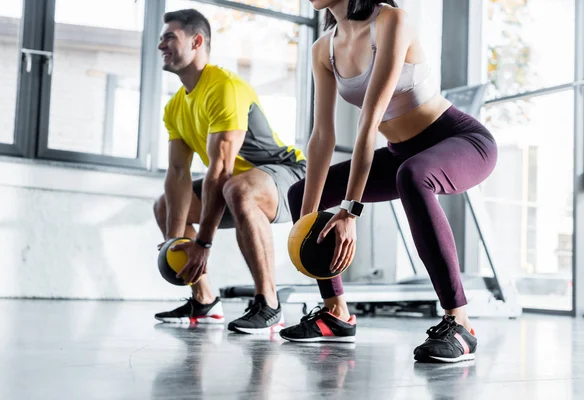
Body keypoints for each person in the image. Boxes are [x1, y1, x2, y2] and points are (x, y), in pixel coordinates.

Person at [279, 0, 497, 363]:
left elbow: (369, 120)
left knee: (413, 175)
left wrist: (350, 209)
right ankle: (335, 313)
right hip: (400, 154)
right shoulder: (323, 48)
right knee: (302, 192)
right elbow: (321, 136)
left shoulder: (391, 21)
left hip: (459, 141)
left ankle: (460, 323)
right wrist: (305, 224)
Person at [153, 9, 307, 334]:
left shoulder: (223, 87)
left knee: (237, 188)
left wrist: (203, 244)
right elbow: (179, 172)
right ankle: (205, 301)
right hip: (237, 185)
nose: (160, 45)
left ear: (196, 41)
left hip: (289, 176)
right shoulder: (175, 106)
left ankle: (270, 303)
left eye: (170, 37)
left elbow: (220, 170)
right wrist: (175, 237)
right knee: (166, 206)